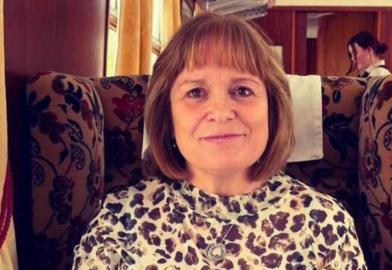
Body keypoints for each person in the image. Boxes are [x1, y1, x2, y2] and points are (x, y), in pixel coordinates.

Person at [72, 13, 366, 269]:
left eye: (242, 91)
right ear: (167, 115)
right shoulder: (119, 220)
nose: (221, 113)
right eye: (196, 92)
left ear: (272, 110)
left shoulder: (326, 224)